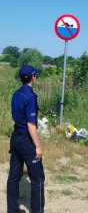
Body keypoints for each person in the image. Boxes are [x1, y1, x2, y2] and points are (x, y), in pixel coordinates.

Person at [7, 64, 45, 213]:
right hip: (26, 140)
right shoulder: (30, 97)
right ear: (33, 78)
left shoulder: (16, 94)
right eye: (36, 75)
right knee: (37, 179)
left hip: (15, 138)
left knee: (14, 177)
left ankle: (12, 210)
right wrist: (38, 146)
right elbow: (31, 124)